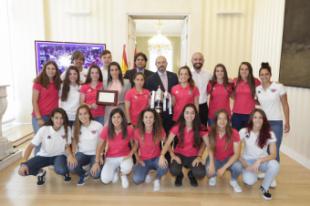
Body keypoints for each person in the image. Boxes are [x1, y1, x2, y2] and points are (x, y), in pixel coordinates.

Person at [18, 108, 76, 185]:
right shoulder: (44, 129)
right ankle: (40, 172)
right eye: (56, 118)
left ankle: (65, 172)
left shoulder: (67, 129)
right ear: (52, 118)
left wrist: (70, 155)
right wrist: (24, 162)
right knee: (22, 171)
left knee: (62, 170)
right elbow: (30, 146)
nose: (59, 120)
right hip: (43, 156)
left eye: (62, 118)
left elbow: (67, 145)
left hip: (59, 156)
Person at [237, 109, 279, 200]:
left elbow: (273, 154)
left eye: (260, 117)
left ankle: (265, 188)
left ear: (264, 120)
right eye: (255, 117)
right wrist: (246, 165)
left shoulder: (270, 133)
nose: (258, 120)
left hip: (262, 161)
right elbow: (237, 153)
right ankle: (251, 174)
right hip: (248, 161)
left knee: (275, 165)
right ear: (251, 119)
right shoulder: (244, 131)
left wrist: (259, 161)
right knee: (249, 181)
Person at [159, 104, 206, 187]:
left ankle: (191, 174)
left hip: (194, 155)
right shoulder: (177, 127)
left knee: (201, 173)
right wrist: (167, 155)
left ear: (195, 114)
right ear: (183, 114)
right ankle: (179, 175)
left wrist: (199, 156)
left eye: (192, 113)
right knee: (173, 170)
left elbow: (206, 143)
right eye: (187, 113)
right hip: (180, 155)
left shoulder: (201, 127)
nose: (189, 115)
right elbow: (167, 142)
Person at [90, 108, 137, 189]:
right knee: (105, 180)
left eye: (118, 117)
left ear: (122, 118)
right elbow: (99, 145)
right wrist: (97, 161)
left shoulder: (129, 129)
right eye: (114, 117)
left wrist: (130, 154)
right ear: (110, 119)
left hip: (124, 156)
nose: (116, 120)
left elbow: (136, 144)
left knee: (127, 168)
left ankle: (123, 174)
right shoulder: (107, 129)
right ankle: (115, 170)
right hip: (110, 157)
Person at [256, 62, 290, 162]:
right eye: (262, 74)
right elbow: (257, 102)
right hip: (263, 123)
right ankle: (266, 169)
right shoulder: (258, 89)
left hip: (276, 122)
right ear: (259, 76)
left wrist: (287, 121)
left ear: (270, 75)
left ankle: (272, 174)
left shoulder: (279, 86)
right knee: (264, 148)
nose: (264, 76)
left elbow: (285, 105)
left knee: (274, 149)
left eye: (266, 74)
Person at [203, 109, 243, 193]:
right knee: (208, 171)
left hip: (229, 159)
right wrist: (212, 164)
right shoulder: (210, 131)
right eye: (219, 118)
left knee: (238, 167)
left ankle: (233, 180)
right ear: (216, 120)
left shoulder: (234, 132)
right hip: (215, 158)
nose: (222, 121)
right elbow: (210, 148)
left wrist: (223, 168)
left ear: (228, 121)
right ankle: (213, 176)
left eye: (225, 119)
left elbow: (236, 154)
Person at [132, 108, 168, 191]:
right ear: (142, 119)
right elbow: (135, 146)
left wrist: (163, 155)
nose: (148, 120)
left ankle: (157, 179)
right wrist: (137, 157)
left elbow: (166, 144)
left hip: (156, 158)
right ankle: (146, 172)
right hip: (143, 160)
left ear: (154, 119)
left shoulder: (160, 130)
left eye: (151, 117)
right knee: (137, 180)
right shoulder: (137, 131)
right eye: (146, 117)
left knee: (164, 166)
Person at [70, 105, 103, 185]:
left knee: (96, 175)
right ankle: (84, 173)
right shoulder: (75, 127)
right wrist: (73, 155)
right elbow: (74, 142)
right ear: (78, 116)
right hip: (82, 154)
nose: (83, 116)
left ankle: (92, 165)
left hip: (95, 154)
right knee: (71, 167)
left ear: (89, 114)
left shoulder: (98, 125)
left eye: (85, 113)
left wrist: (100, 156)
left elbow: (103, 143)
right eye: (80, 114)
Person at [144, 56, 178, 133]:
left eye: (163, 62)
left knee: (171, 131)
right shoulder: (150, 79)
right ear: (156, 64)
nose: (161, 64)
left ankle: (170, 145)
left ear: (166, 64)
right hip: (157, 111)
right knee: (158, 132)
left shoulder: (174, 76)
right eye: (159, 63)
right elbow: (149, 96)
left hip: (171, 111)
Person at [231, 62, 260, 130]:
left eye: (246, 69)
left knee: (248, 138)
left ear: (250, 70)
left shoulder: (255, 81)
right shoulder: (235, 81)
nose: (244, 71)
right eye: (242, 69)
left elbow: (264, 90)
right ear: (239, 71)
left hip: (250, 115)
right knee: (237, 138)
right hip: (236, 115)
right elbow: (232, 95)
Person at [191, 52, 212, 127]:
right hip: (191, 105)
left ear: (203, 61)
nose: (198, 61)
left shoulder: (208, 74)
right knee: (191, 128)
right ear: (192, 61)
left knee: (203, 128)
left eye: (200, 59)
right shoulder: (188, 74)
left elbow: (218, 81)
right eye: (195, 59)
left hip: (203, 106)